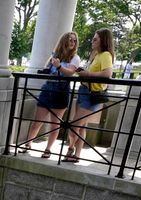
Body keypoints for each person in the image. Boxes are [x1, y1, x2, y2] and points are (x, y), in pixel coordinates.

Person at [19, 32, 80, 159]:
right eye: (70, 40)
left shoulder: (75, 58)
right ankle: (28, 144)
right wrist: (48, 68)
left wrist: (58, 67)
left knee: (55, 124)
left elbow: (70, 73)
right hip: (48, 88)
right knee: (37, 121)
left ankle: (48, 149)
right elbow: (47, 70)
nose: (72, 43)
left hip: (61, 90)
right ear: (64, 41)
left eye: (74, 41)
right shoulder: (55, 55)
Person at [65, 28, 114, 163]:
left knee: (74, 125)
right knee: (81, 127)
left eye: (95, 39)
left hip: (92, 94)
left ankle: (70, 149)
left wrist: (87, 74)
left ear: (103, 40)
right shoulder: (96, 55)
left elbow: (107, 73)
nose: (92, 41)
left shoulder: (105, 55)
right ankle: (77, 155)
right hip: (84, 91)